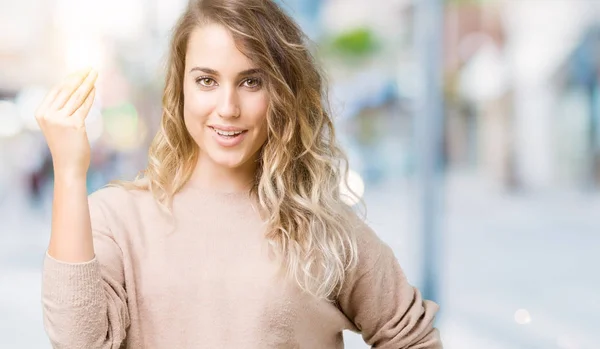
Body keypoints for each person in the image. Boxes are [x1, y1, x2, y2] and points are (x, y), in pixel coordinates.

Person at [36, 0, 442, 348]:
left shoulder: (321, 225)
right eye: (206, 81)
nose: (227, 107)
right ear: (180, 90)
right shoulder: (116, 218)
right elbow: (77, 342)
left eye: (251, 81)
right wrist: (69, 173)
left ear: (281, 93)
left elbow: (413, 339)